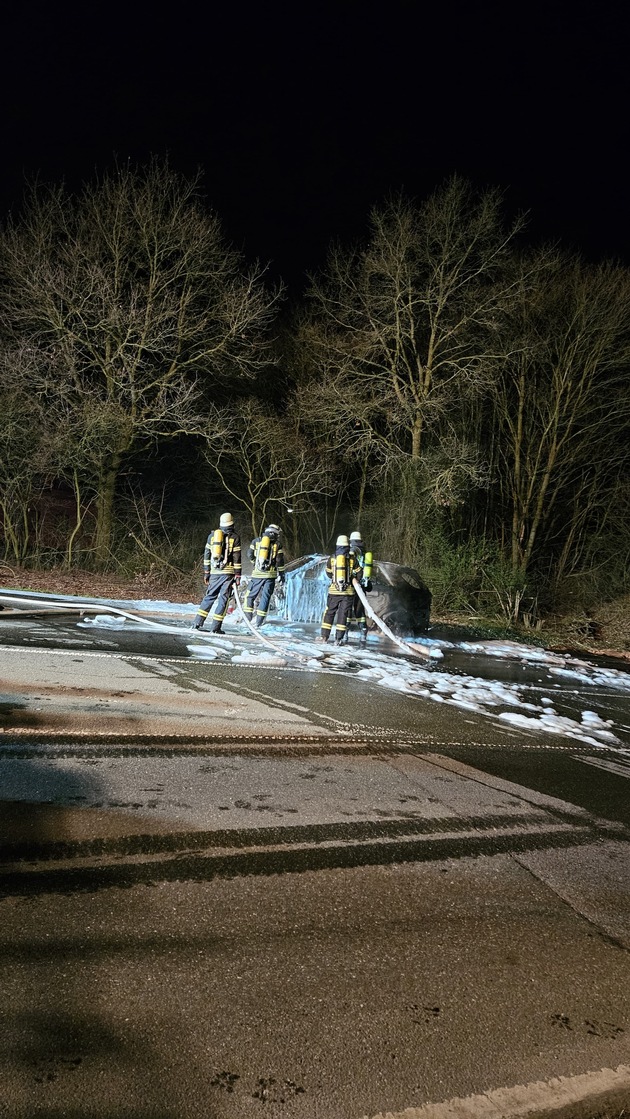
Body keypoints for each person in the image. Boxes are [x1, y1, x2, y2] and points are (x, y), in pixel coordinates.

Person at [192, 513, 242, 632]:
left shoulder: (212, 536)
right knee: (223, 600)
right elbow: (237, 558)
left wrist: (206, 572)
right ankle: (215, 628)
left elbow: (207, 555)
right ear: (232, 523)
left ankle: (197, 623)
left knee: (209, 597)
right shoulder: (235, 537)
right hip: (228, 575)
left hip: (214, 573)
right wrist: (238, 574)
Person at [320, 535, 361, 645]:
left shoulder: (332, 558)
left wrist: (335, 577)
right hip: (348, 593)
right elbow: (359, 573)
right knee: (343, 615)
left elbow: (328, 573)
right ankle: (338, 639)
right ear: (348, 546)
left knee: (330, 613)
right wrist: (354, 579)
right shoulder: (352, 559)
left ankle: (324, 637)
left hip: (334, 591)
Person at [243, 523, 285, 628]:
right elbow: (280, 561)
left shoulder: (256, 541)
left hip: (257, 574)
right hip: (270, 576)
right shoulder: (277, 545)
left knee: (250, 595)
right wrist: (281, 574)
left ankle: (248, 618)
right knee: (265, 597)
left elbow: (249, 554)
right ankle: (259, 622)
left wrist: (255, 563)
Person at [348, 530, 373, 647]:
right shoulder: (365, 552)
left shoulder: (354, 550)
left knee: (347, 609)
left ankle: (345, 632)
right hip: (362, 584)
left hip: (352, 583)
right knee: (359, 610)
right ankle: (363, 632)